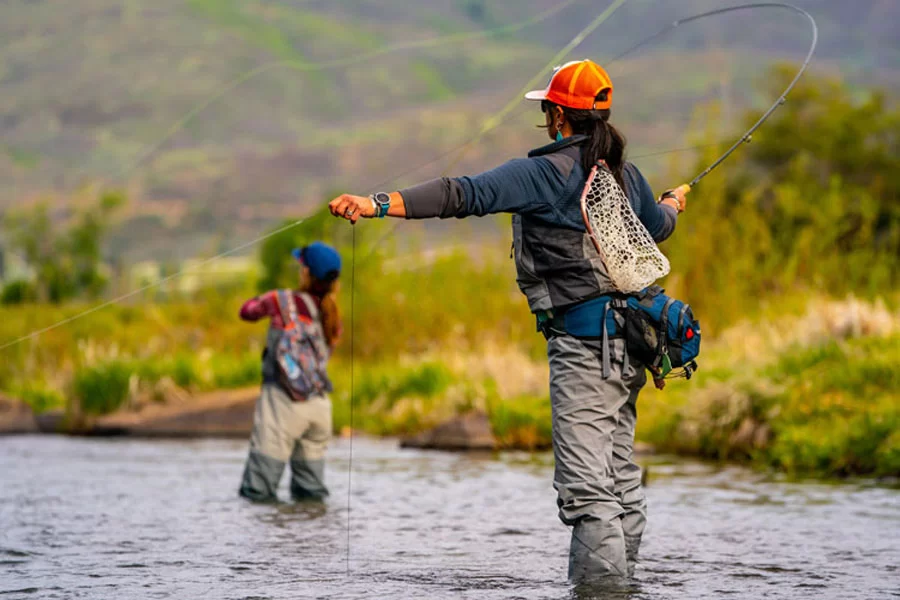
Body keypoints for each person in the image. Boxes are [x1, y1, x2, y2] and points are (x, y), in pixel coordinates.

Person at [327, 59, 689, 584]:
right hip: (631, 347)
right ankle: (624, 584)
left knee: (588, 491)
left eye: (548, 110)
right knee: (618, 479)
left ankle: (602, 594)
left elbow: (461, 194)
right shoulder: (626, 176)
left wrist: (376, 203)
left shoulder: (544, 173)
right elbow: (658, 226)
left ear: (557, 117)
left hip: (586, 347)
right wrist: (674, 204)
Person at [237, 241, 343, 503]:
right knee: (311, 496)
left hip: (283, 405)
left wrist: (266, 299)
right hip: (320, 409)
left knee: (258, 494)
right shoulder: (333, 316)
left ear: (305, 272)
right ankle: (308, 541)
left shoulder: (280, 300)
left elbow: (246, 312)